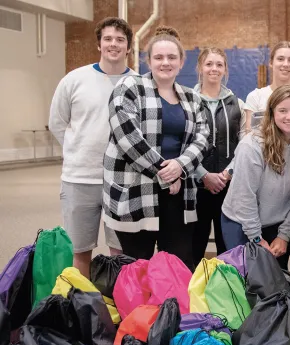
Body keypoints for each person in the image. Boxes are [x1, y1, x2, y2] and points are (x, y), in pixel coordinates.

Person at [102, 26, 208, 270]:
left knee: (178, 264)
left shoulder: (193, 98)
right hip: (137, 190)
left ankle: (173, 309)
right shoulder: (129, 88)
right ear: (148, 60)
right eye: (158, 57)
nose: (165, 62)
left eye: (172, 57)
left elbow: (203, 138)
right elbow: (127, 137)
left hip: (178, 192)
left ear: (181, 62)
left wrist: (180, 167)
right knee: (137, 265)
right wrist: (166, 173)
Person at [49, 17, 136, 278]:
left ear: (128, 47)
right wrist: (78, 151)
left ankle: (121, 312)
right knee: (80, 252)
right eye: (108, 39)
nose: (114, 44)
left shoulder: (139, 83)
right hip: (79, 179)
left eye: (120, 40)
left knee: (120, 253)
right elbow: (57, 123)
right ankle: (83, 309)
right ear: (99, 44)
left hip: (123, 181)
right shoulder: (74, 80)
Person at [220, 85, 290, 269]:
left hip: (277, 223)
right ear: (272, 112)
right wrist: (257, 239)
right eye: (282, 110)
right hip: (241, 222)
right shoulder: (251, 146)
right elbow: (244, 198)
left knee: (275, 283)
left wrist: (284, 235)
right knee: (248, 284)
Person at [191, 47, 247, 263]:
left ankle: (227, 292)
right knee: (195, 247)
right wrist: (204, 174)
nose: (214, 68)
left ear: (225, 69)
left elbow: (244, 143)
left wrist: (228, 172)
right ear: (200, 68)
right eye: (209, 64)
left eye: (219, 64)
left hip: (228, 185)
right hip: (197, 187)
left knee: (228, 247)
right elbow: (184, 142)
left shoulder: (237, 104)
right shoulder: (188, 101)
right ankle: (192, 293)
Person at [244, 41, 290, 130]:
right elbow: (250, 135)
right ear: (271, 63)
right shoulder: (255, 97)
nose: (285, 64)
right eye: (280, 59)